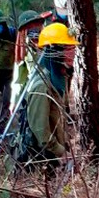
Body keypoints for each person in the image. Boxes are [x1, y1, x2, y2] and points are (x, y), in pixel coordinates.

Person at [14, 23, 76, 171]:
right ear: (56, 51)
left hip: (52, 151)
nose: (73, 53)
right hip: (38, 158)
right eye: (69, 49)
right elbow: (40, 130)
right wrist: (61, 152)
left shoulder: (60, 76)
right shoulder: (41, 85)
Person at [10, 9, 48, 115]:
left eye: (35, 25)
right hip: (34, 94)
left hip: (52, 92)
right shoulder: (24, 49)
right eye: (29, 27)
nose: (34, 29)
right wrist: (14, 101)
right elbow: (18, 80)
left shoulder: (51, 42)